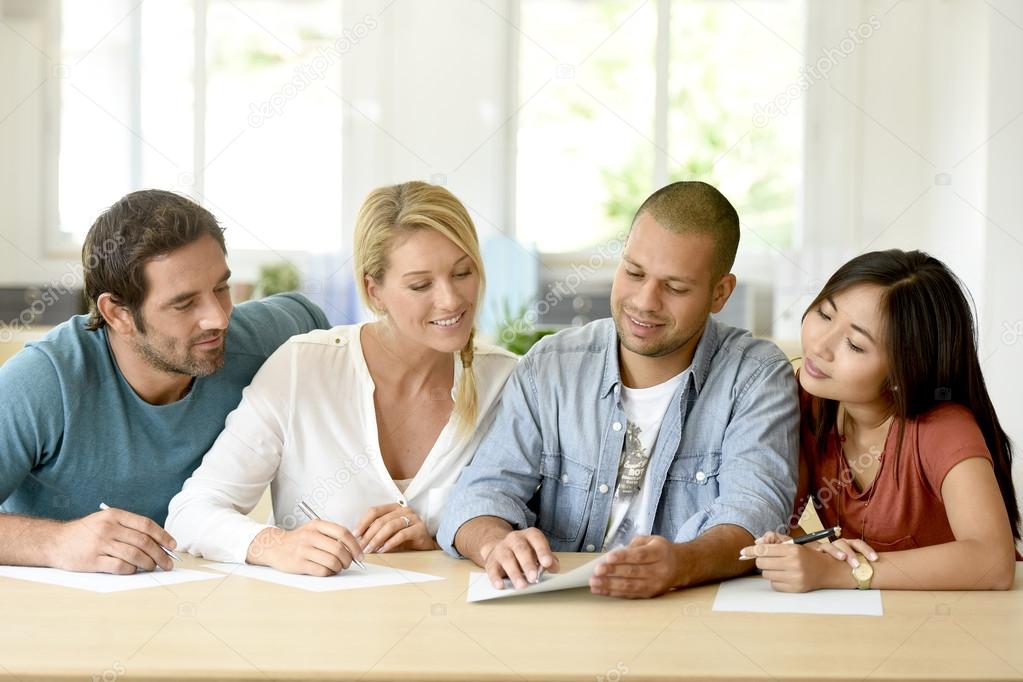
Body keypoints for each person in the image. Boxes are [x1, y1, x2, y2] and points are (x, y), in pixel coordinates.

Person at [437, 180, 800, 599]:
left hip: (688, 615)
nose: (645, 301)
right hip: (563, 615)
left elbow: (756, 513)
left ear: (720, 293)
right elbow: (481, 493)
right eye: (633, 272)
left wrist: (681, 564)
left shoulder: (756, 376)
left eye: (676, 287)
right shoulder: (552, 365)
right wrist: (494, 542)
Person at [166, 181, 518, 576]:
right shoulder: (303, 368)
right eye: (421, 285)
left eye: (462, 272)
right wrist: (275, 544)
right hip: (321, 629)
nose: (451, 300)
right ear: (374, 290)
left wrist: (443, 538)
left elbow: (537, 527)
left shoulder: (509, 382)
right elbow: (191, 511)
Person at [0, 190, 329, 574]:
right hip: (60, 615)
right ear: (117, 312)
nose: (218, 319)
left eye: (221, 288)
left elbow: (327, 332)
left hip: (199, 597)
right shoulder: (42, 382)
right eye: (184, 304)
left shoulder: (257, 339)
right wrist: (57, 542)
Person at [742, 249, 1019, 592]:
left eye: (855, 345)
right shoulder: (808, 402)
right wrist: (795, 547)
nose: (820, 346)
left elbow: (993, 562)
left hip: (962, 623)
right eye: (825, 315)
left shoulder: (944, 428)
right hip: (867, 621)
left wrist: (839, 572)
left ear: (903, 372)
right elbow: (788, 518)